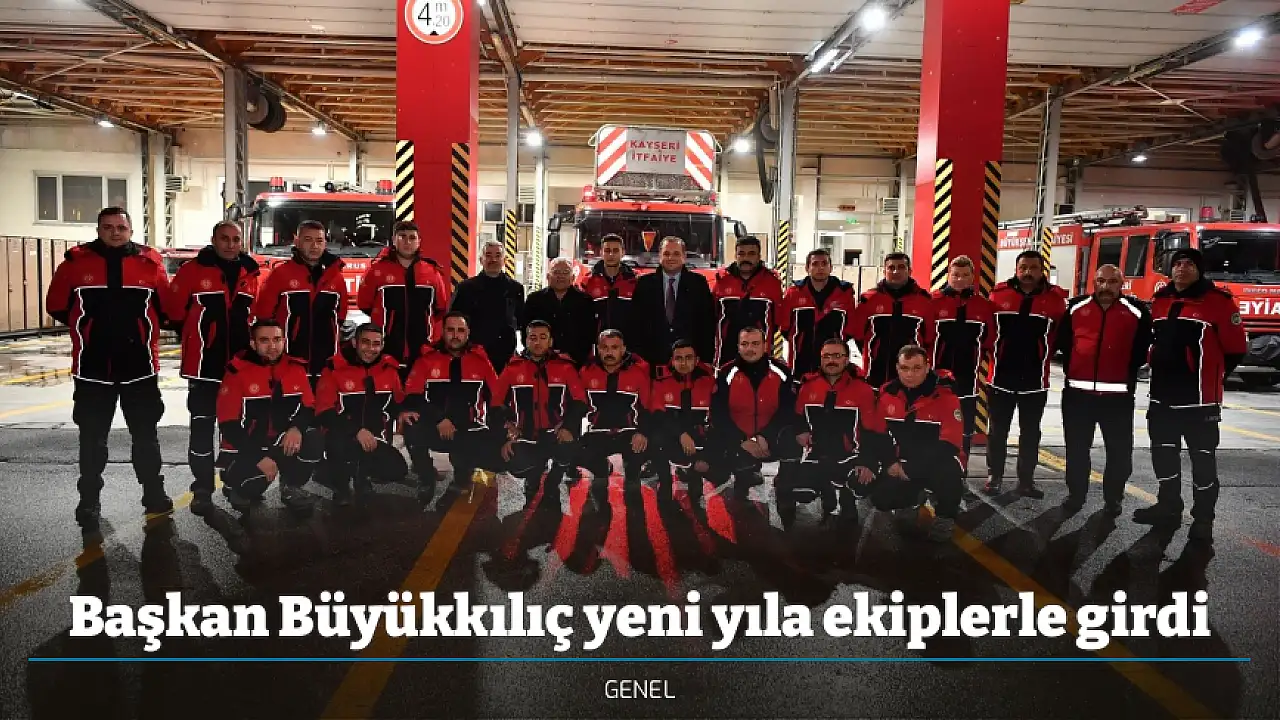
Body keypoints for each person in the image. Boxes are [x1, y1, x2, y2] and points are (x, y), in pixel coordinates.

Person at [46, 206, 173, 534]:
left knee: (146, 437)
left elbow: (167, 308)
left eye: (121, 227)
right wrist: (91, 331)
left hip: (140, 367)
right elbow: (57, 305)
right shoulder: (75, 264)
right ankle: (88, 501)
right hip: (92, 368)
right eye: (108, 227)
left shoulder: (150, 264)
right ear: (98, 229)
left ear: (131, 231)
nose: (115, 232)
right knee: (91, 440)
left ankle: (153, 494)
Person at [1134, 248, 1246, 543]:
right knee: (1163, 454)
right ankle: (1168, 506)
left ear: (1199, 269)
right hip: (1162, 398)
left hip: (1200, 402)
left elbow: (1236, 349)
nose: (1182, 269)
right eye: (1178, 264)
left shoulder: (1218, 303)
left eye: (1189, 264)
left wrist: (1210, 375)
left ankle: (1204, 517)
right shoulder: (1160, 301)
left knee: (1203, 459)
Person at [163, 220, 261, 515]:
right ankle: (203, 488)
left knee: (237, 429)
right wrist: (198, 338)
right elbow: (173, 311)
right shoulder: (192, 271)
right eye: (225, 238)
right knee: (202, 429)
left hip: (240, 369)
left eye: (236, 239)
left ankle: (235, 482)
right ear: (214, 240)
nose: (231, 244)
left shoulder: (251, 273)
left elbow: (256, 316)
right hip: (203, 367)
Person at [1056, 264, 1152, 516]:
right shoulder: (1075, 308)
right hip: (1077, 397)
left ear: (1121, 284)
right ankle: (1076, 496)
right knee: (1076, 451)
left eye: (1112, 282)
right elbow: (1063, 342)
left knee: (1119, 453)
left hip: (1117, 398)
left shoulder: (1137, 311)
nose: (1105, 287)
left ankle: (1113, 499)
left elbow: (1143, 347)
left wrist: (1124, 370)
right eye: (1100, 281)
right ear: (1094, 282)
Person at [982, 250, 1067, 498]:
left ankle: (1026, 481)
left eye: (1033, 268)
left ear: (1042, 270)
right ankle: (994, 477)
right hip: (1000, 378)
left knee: (1030, 434)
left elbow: (1060, 337)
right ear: (1016, 269)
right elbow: (988, 333)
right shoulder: (998, 296)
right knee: (997, 432)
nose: (1028, 272)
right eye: (1023, 268)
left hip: (1035, 381)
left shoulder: (1055, 301)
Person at [215, 319, 323, 514]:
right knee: (249, 489)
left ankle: (290, 487)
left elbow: (309, 406)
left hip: (279, 440)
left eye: (277, 339)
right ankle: (233, 484)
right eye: (264, 340)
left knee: (314, 438)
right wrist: (258, 457)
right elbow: (228, 424)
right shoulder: (236, 373)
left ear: (284, 341)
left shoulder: (295, 368)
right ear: (253, 343)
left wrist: (296, 428)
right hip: (247, 446)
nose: (272, 346)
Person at [783, 338, 888, 528]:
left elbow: (873, 431)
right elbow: (797, 418)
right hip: (818, 454)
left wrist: (867, 462)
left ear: (847, 359)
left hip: (851, 457)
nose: (831, 360)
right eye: (826, 356)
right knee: (801, 491)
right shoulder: (808, 387)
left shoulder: (863, 390)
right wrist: (801, 431)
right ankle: (828, 495)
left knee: (863, 484)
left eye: (837, 356)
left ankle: (847, 499)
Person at [402, 312, 502, 504]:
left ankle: (463, 473)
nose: (455, 335)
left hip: (469, 427)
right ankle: (426, 477)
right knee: (411, 428)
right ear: (442, 331)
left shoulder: (481, 361)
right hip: (435, 425)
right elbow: (413, 395)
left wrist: (501, 430)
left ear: (468, 333)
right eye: (450, 330)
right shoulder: (426, 359)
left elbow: (497, 397)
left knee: (495, 454)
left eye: (460, 330)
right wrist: (439, 419)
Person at [874, 345, 966, 542]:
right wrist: (890, 462)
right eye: (904, 368)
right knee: (880, 497)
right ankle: (910, 501)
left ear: (927, 367)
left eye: (917, 368)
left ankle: (945, 517)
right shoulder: (886, 395)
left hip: (935, 463)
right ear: (897, 368)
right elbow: (879, 435)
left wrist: (911, 468)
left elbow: (950, 444)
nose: (910, 374)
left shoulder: (946, 398)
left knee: (950, 473)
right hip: (901, 462)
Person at [315, 324, 409, 505]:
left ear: (382, 345)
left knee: (397, 470)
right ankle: (339, 484)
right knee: (338, 446)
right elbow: (323, 412)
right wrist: (356, 431)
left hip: (374, 438)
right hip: (342, 436)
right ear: (354, 342)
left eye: (376, 344)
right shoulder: (333, 370)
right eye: (365, 342)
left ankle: (361, 474)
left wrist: (404, 412)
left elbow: (398, 402)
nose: (371, 349)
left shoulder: (389, 370)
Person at [493, 320, 587, 499]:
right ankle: (534, 474)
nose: (538, 342)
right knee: (512, 459)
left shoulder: (565, 367)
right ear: (526, 341)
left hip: (556, 433)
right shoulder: (512, 368)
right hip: (526, 434)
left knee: (570, 448)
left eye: (543, 337)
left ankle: (555, 476)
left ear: (550, 341)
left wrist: (568, 426)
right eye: (533, 338)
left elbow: (580, 402)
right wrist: (507, 428)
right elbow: (496, 404)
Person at [253, 219, 348, 381]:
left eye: (319, 241)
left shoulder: (336, 277)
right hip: (288, 362)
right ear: (296, 241)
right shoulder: (280, 274)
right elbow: (263, 315)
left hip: (326, 364)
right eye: (308, 240)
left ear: (325, 243)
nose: (314, 246)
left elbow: (341, 316)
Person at [710, 326, 796, 497]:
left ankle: (785, 485)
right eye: (745, 344)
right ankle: (744, 476)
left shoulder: (782, 372)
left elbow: (788, 411)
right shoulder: (726, 373)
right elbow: (718, 414)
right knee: (723, 458)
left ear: (765, 346)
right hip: (739, 440)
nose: (749, 349)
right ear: (738, 347)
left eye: (755, 343)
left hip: (770, 438)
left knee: (792, 438)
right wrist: (742, 439)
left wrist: (765, 436)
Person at [356, 221, 448, 376]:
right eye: (402, 237)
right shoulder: (376, 270)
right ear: (393, 239)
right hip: (384, 349)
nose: (407, 242)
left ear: (419, 241)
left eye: (412, 238)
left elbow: (440, 308)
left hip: (423, 349)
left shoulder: (432, 272)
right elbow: (364, 304)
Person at [930, 255, 994, 461]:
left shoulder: (984, 306)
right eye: (955, 275)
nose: (960, 279)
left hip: (968, 383)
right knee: (934, 429)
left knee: (964, 432)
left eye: (965, 275)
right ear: (948, 275)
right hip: (935, 381)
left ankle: (961, 473)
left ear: (973, 277)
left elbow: (989, 341)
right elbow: (923, 339)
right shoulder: (932, 302)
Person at [578, 330, 652, 494]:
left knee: (639, 459)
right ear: (598, 349)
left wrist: (642, 432)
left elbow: (648, 408)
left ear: (623, 349)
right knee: (572, 452)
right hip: (597, 431)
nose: (609, 352)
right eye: (604, 347)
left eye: (614, 347)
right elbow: (577, 406)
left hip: (629, 432)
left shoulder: (639, 373)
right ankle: (601, 468)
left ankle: (632, 473)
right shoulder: (586, 372)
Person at [850, 252, 934, 389]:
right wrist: (875, 353)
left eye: (901, 267)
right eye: (891, 268)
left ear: (909, 271)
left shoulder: (924, 301)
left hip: (911, 377)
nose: (896, 271)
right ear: (884, 271)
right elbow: (858, 336)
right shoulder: (869, 299)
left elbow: (929, 339)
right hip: (875, 375)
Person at [650, 339, 718, 502]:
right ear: (672, 361)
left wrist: (707, 455)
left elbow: (717, 417)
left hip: (698, 433)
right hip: (671, 433)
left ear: (696, 360)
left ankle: (694, 473)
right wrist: (681, 434)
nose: (683, 362)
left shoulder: (709, 381)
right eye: (678, 358)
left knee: (719, 471)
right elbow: (659, 416)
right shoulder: (660, 381)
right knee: (654, 438)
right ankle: (665, 480)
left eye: (688, 358)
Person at [631, 237, 715, 366]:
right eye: (666, 254)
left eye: (676, 254)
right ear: (660, 256)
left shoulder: (698, 283)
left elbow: (707, 325)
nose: (671, 258)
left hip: (688, 362)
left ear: (684, 257)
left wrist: (706, 360)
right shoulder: (644, 283)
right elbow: (635, 324)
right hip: (651, 361)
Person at [448, 239, 524, 374]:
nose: (493, 259)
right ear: (481, 260)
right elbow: (452, 320)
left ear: (504, 260)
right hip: (474, 354)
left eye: (498, 255)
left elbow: (521, 321)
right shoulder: (465, 288)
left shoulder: (515, 288)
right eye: (488, 255)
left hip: (506, 355)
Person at [779, 248, 857, 377]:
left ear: (831, 268)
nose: (820, 268)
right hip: (800, 364)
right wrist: (801, 342)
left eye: (824, 263)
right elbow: (784, 328)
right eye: (815, 264)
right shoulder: (793, 293)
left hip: (834, 365)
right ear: (807, 268)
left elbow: (851, 327)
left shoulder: (844, 294)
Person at [711, 237, 784, 366]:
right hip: (726, 356)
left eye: (751, 254)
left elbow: (778, 321)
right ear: (735, 256)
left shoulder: (772, 282)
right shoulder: (721, 281)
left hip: (760, 356)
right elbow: (712, 316)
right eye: (741, 254)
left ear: (759, 256)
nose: (746, 258)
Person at [522, 257, 595, 367]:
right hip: (540, 362)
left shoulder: (585, 301)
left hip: (576, 362)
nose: (561, 276)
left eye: (565, 272)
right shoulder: (534, 299)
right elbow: (526, 331)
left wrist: (575, 356)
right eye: (556, 272)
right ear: (548, 276)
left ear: (573, 277)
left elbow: (589, 334)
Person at [580, 233, 638, 343]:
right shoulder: (587, 282)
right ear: (601, 253)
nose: (611, 254)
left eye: (615, 251)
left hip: (628, 345)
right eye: (607, 251)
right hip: (599, 345)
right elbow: (582, 318)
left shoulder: (636, 281)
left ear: (623, 253)